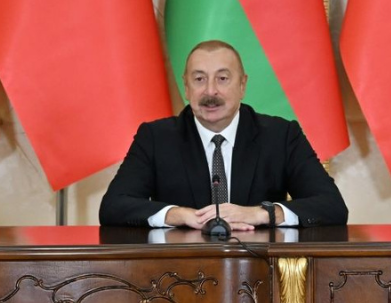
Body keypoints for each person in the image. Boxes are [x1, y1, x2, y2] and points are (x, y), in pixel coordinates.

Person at [99, 40, 348, 229]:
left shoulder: (281, 136)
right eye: (199, 79)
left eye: (222, 78)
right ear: (186, 87)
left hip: (259, 269)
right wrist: (179, 215)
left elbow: (332, 206)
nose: (210, 91)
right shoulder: (155, 138)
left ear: (242, 85)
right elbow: (113, 206)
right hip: (179, 271)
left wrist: (262, 214)